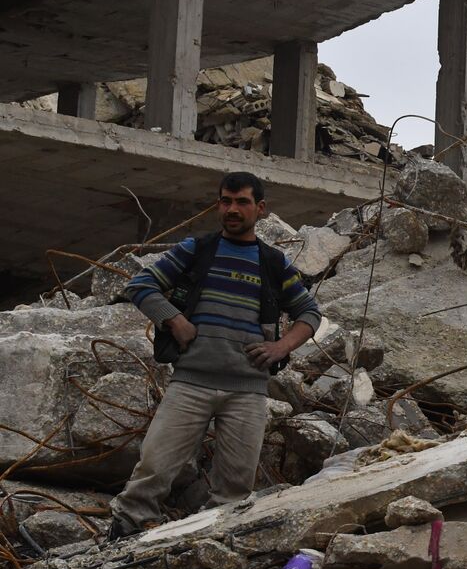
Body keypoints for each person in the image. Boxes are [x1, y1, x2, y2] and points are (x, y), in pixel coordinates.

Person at [107, 172, 321, 539]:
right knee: (154, 469)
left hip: (248, 390)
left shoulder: (273, 262)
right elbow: (140, 284)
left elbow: (309, 313)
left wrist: (280, 347)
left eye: (241, 202)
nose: (232, 209)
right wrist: (174, 320)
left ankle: (215, 543)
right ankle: (127, 529)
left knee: (236, 487)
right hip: (191, 381)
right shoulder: (197, 249)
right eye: (226, 201)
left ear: (261, 209)